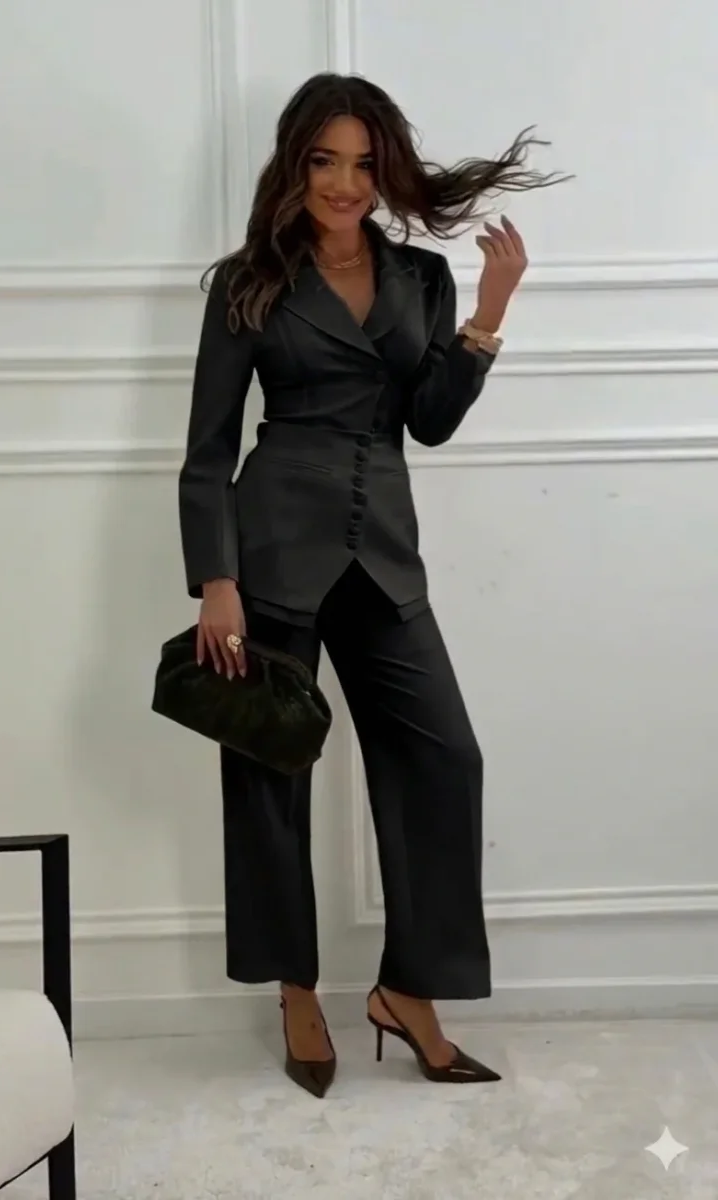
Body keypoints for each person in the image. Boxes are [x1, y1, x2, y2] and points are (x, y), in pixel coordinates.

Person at [179, 72, 563, 1097]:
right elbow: (208, 450)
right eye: (324, 160)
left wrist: (489, 314)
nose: (344, 183)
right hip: (270, 558)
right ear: (295, 164)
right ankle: (296, 988)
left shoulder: (420, 279)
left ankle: (408, 990)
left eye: (361, 163)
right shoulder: (248, 283)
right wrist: (215, 580)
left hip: (384, 555)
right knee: (269, 774)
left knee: (445, 758)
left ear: (383, 169)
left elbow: (427, 421)